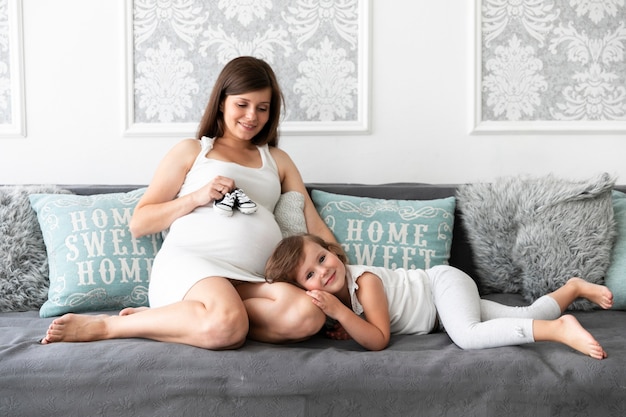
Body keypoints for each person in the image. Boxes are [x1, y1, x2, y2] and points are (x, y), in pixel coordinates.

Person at [41, 56, 336, 349]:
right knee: (227, 325)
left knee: (308, 316)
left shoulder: (278, 160)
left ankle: (178, 319)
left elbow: (313, 224)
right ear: (222, 102)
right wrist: (198, 196)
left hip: (249, 279)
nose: (251, 117)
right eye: (242, 105)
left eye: (262, 108)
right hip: (192, 267)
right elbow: (140, 223)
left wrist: (352, 303)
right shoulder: (192, 151)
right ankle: (109, 326)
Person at [264, 233, 614, 359]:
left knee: (467, 336)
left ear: (332, 251)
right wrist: (343, 320)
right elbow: (361, 325)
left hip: (441, 287)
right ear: (303, 290)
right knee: (526, 315)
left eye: (322, 258)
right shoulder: (329, 305)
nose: (324, 271)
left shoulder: (364, 280)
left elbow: (379, 339)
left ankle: (560, 330)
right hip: (440, 311)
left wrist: (342, 315)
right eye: (310, 275)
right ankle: (573, 288)